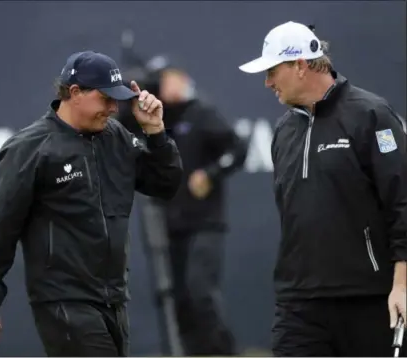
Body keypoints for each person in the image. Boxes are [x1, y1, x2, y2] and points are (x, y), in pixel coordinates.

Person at [0, 50, 182, 357]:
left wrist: (155, 132)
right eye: (105, 98)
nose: (113, 108)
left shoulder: (117, 138)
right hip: (63, 301)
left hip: (114, 300)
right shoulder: (29, 148)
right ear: (74, 93)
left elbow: (165, 185)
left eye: (117, 99)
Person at [239, 21, 407, 357]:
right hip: (299, 303)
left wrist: (401, 285)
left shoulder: (371, 115)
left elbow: (401, 204)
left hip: (369, 299)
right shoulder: (284, 129)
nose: (267, 82)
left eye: (273, 71)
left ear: (300, 65)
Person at [119, 58, 247, 356]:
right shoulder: (159, 120)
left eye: (171, 79)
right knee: (179, 299)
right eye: (163, 81)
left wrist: (211, 174)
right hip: (171, 226)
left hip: (204, 223)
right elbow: (123, 122)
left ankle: (222, 353)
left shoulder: (202, 113)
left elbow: (238, 148)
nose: (167, 85)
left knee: (200, 291)